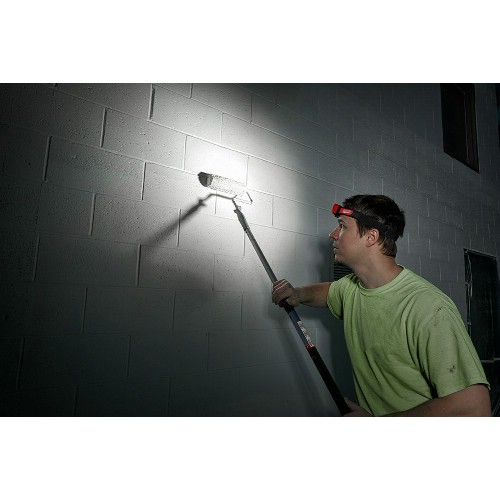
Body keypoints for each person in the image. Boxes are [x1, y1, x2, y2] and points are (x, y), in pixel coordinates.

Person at [271, 194, 491, 417]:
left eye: (342, 226)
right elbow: (329, 292)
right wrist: (298, 294)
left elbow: (475, 407)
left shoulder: (428, 307)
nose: (333, 234)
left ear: (371, 237)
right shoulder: (351, 288)